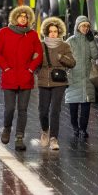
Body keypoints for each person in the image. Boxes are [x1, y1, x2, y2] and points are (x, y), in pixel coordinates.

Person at [0, 5, 42, 152]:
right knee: (9, 108)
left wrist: (30, 69)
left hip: (25, 78)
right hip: (10, 77)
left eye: (26, 17)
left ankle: (19, 137)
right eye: (21, 16)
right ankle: (7, 128)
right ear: (15, 17)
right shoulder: (4, 32)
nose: (23, 19)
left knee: (23, 110)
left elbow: (38, 54)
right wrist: (6, 67)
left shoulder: (32, 35)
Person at [37, 17, 75, 151]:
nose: (53, 34)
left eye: (55, 31)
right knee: (43, 111)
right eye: (50, 31)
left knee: (55, 110)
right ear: (46, 32)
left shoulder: (65, 46)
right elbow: (34, 61)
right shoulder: (41, 45)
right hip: (43, 81)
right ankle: (44, 130)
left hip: (59, 82)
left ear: (59, 32)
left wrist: (60, 57)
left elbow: (72, 63)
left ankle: (53, 138)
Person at [65, 16, 98, 138]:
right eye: (83, 26)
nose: (86, 28)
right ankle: (75, 127)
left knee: (86, 109)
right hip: (73, 78)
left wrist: (91, 41)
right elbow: (65, 57)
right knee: (73, 109)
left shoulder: (90, 40)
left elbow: (95, 55)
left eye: (88, 26)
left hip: (86, 79)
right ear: (78, 27)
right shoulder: (70, 41)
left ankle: (83, 129)